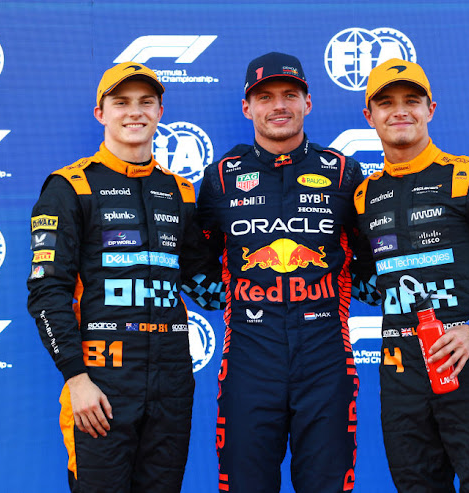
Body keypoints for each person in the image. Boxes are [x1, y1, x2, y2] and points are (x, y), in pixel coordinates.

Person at [26, 61, 220, 492]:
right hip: (101, 381)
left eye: (145, 102)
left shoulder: (180, 191)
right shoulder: (70, 187)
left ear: (160, 111)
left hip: (171, 381)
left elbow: (206, 284)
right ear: (101, 113)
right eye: (122, 102)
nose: (135, 112)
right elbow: (46, 292)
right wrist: (76, 378)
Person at [353, 58, 469, 492]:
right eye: (386, 103)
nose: (400, 111)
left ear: (430, 109)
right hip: (401, 377)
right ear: (370, 116)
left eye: (411, 101)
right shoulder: (364, 195)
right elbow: (364, 279)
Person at [196, 52, 373, 493]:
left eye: (289, 95)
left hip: (326, 358)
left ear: (307, 103)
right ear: (247, 107)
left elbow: (372, 258)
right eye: (265, 96)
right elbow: (196, 265)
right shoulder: (219, 177)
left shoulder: (345, 173)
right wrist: (243, 299)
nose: (278, 105)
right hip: (250, 362)